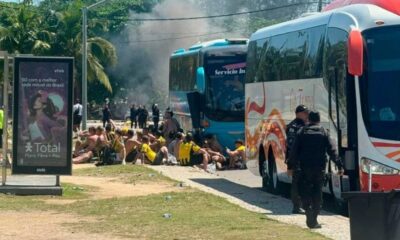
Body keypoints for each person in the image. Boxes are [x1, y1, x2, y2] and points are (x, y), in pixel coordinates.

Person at [287, 111, 344, 229]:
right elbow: (332, 150)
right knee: (318, 192)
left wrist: (290, 167)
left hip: (304, 168)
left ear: (309, 119)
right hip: (319, 168)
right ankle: (314, 218)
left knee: (305, 191)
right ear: (318, 120)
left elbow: (294, 151)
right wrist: (339, 165)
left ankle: (308, 211)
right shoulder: (324, 132)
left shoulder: (301, 131)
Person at [286, 104, 309, 214]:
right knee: (297, 183)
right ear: (298, 114)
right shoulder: (293, 126)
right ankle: (296, 206)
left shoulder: (305, 125)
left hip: (304, 159)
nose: (306, 115)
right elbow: (291, 146)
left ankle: (304, 205)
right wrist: (290, 164)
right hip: (297, 160)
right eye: (305, 113)